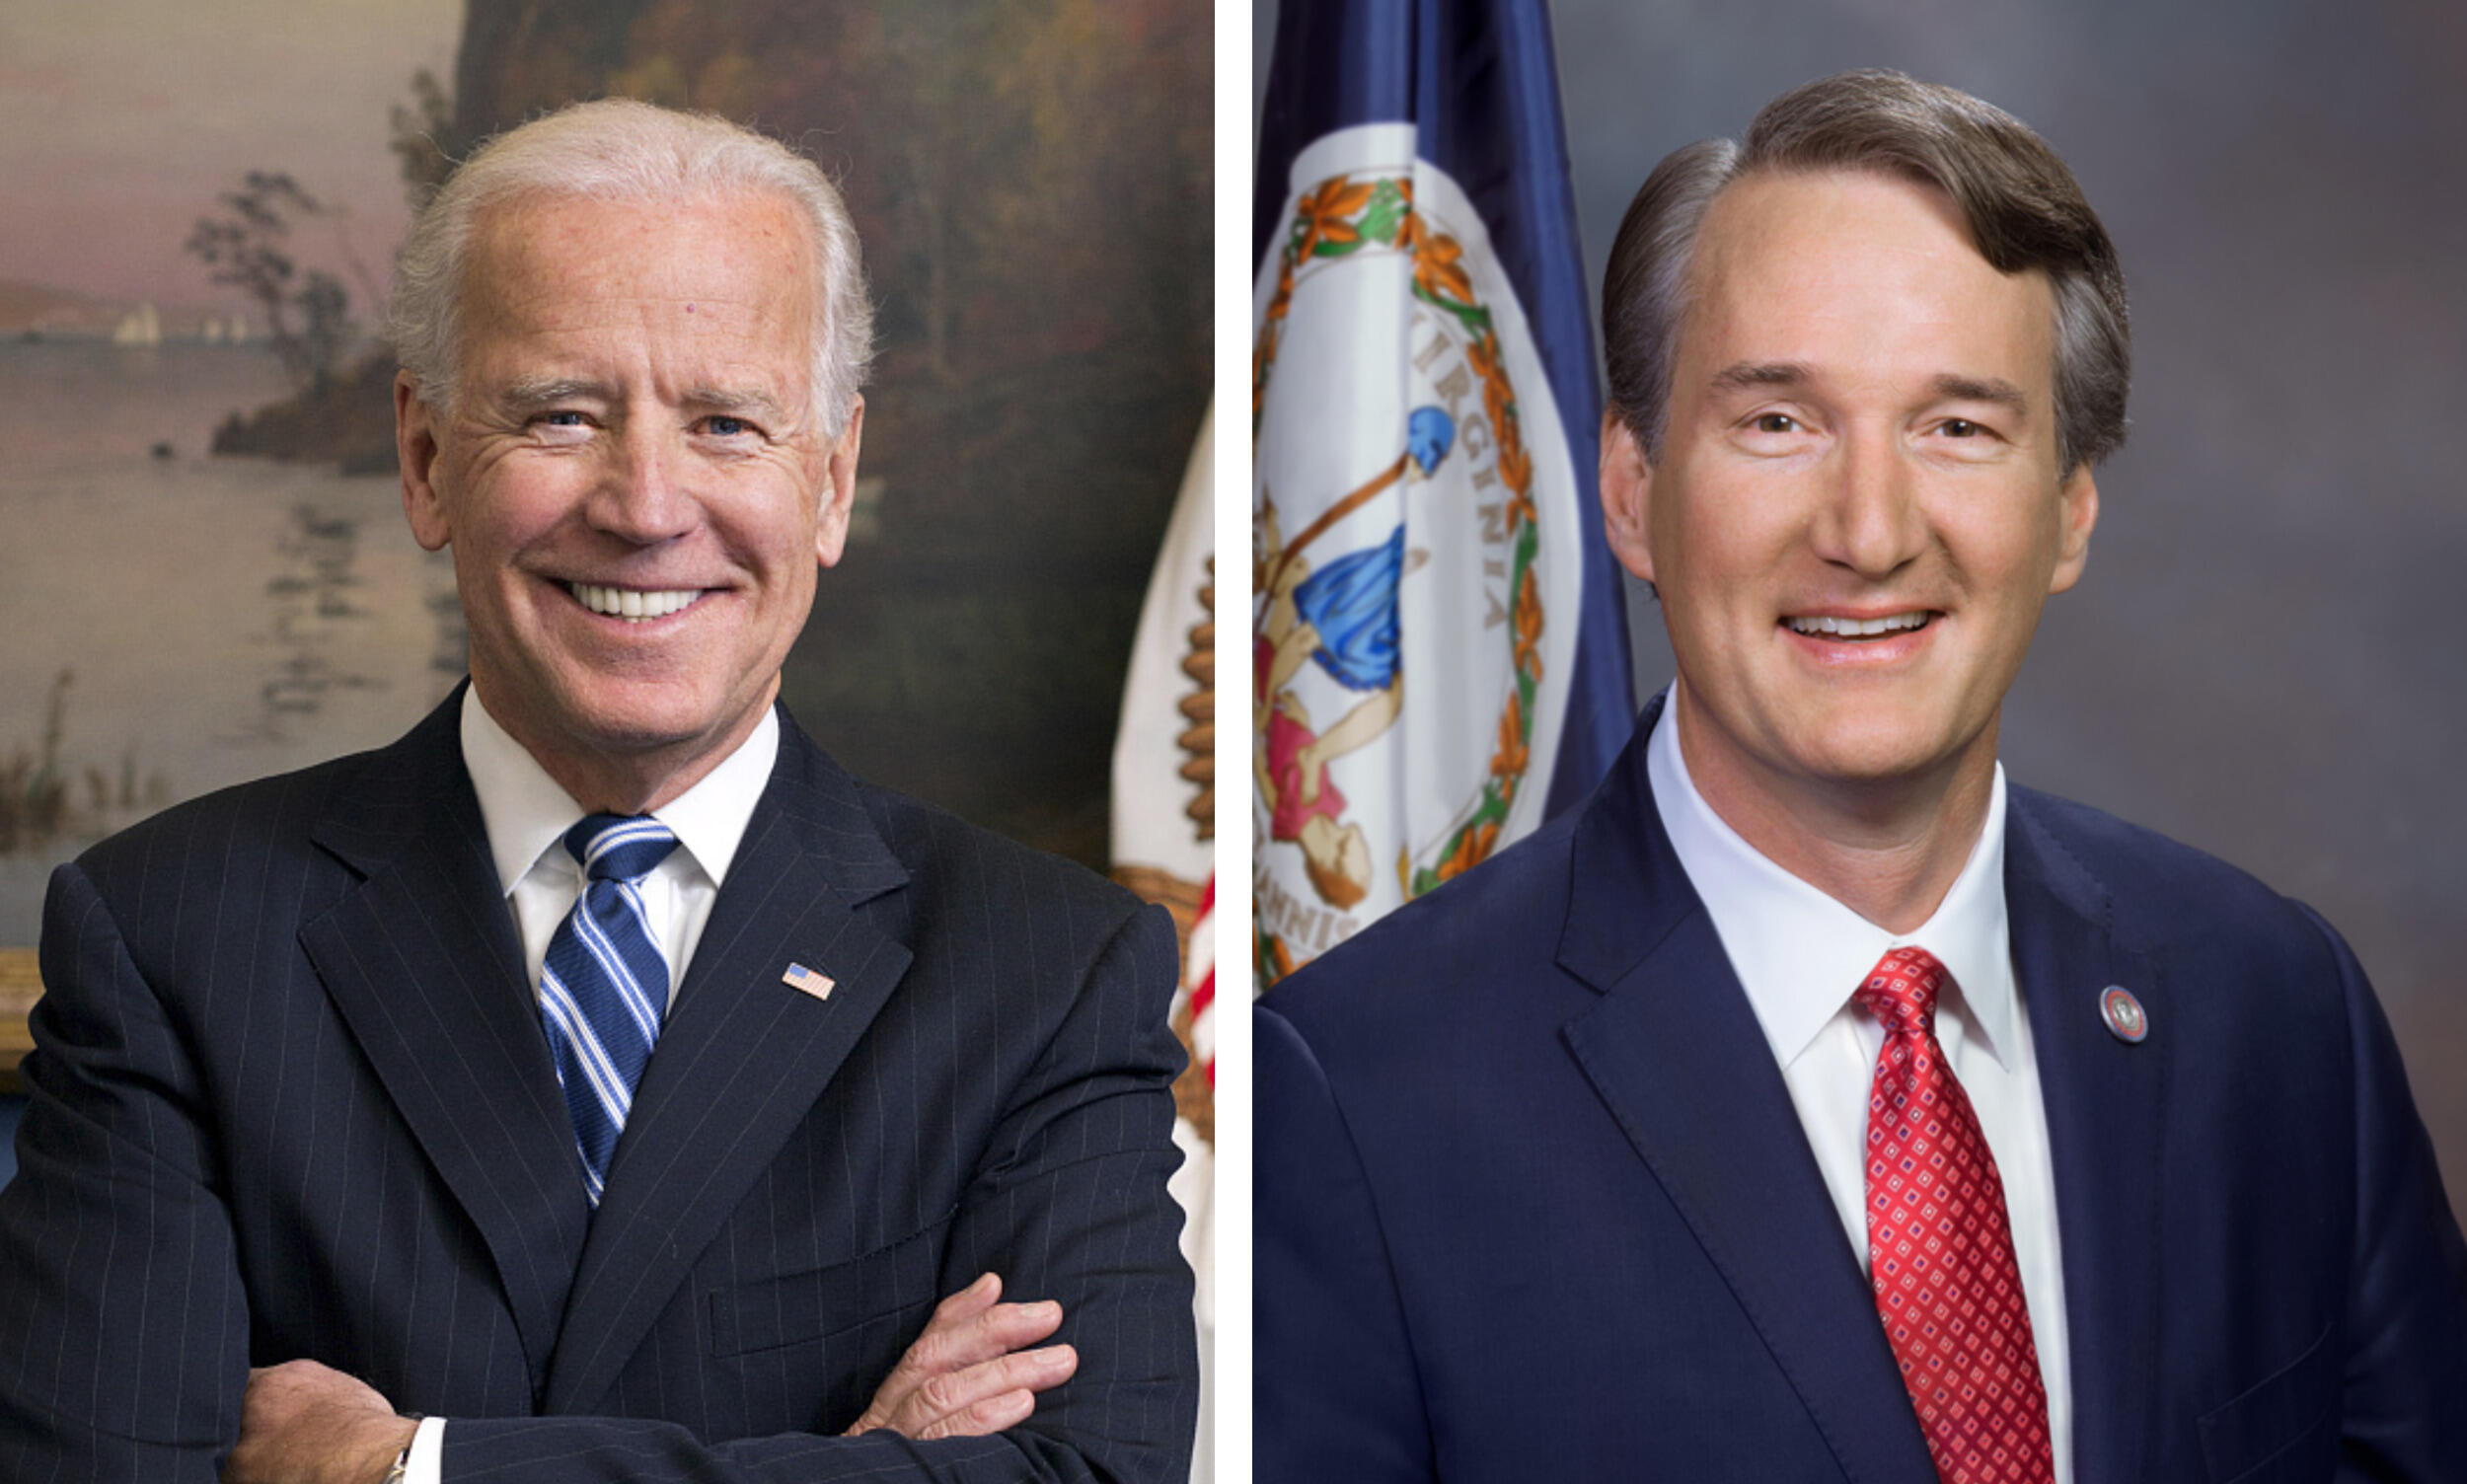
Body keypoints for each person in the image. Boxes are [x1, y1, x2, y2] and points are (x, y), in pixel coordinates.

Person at [1254, 70, 2467, 1482]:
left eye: (1958, 426)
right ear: (1634, 492)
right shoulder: (1355, 1101)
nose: (1871, 531)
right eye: (1780, 422)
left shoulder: (2275, 1009)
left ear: (2069, 510)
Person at [0, 100, 1196, 1483]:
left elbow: (1089, 1477)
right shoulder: (175, 939)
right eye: (561, 413)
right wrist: (852, 1463)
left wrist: (408, 1469)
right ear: (428, 457)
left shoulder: (1045, 970)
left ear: (832, 476)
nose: (643, 504)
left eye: (728, 423)